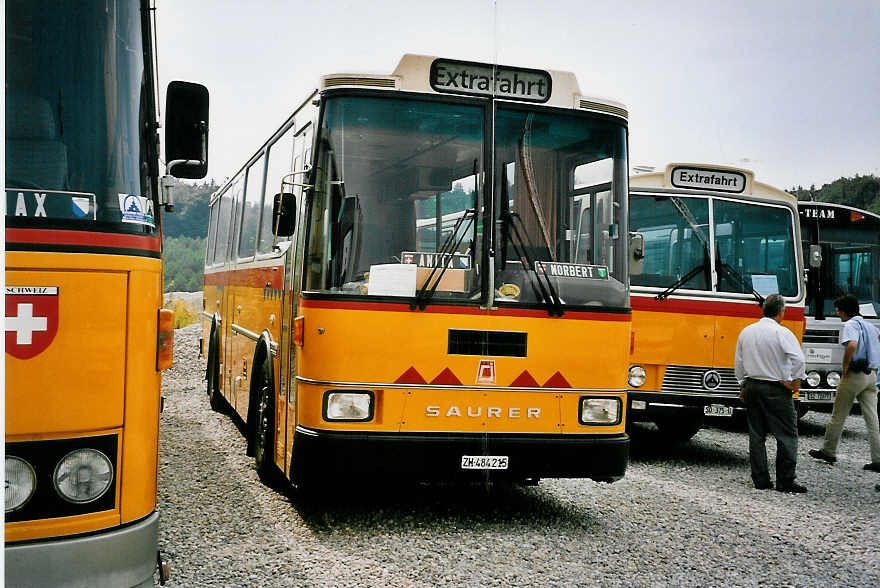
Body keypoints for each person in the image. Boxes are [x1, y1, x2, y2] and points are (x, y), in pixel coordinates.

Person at [735, 294, 807, 493]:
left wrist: (742, 384)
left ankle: (760, 479)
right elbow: (799, 359)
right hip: (775, 388)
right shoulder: (781, 333)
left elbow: (739, 363)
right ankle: (785, 480)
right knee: (786, 434)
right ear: (781, 312)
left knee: (756, 434)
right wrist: (795, 382)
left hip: (752, 386)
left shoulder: (746, 332)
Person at [809, 294, 880, 471]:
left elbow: (852, 345)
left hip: (855, 374)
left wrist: (845, 366)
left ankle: (829, 450)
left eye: (838, 311)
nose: (838, 315)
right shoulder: (871, 327)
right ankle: (878, 459)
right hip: (871, 374)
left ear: (844, 311)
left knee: (838, 414)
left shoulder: (849, 325)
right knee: (873, 419)